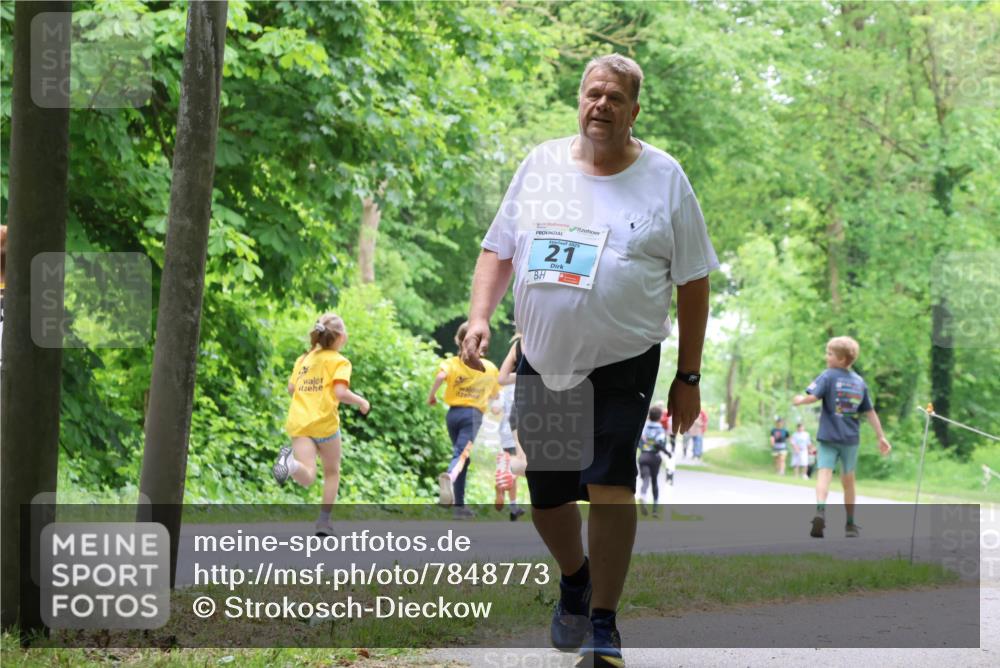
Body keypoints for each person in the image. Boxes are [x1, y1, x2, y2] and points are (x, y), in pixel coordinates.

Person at [459, 54, 718, 667]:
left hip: (625, 357)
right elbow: (499, 248)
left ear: (634, 110)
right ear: (580, 100)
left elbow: (694, 279)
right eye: (592, 93)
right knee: (547, 496)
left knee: (609, 482)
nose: (600, 104)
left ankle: (604, 623)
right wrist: (479, 316)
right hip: (547, 358)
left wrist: (688, 375)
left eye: (615, 97)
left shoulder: (664, 178)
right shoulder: (541, 165)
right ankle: (574, 577)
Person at [272, 313, 370, 537]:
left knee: (306, 475)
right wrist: (362, 402)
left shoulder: (304, 359)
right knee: (332, 472)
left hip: (300, 424)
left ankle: (290, 465)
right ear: (342, 337)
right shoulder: (339, 361)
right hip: (324, 426)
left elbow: (291, 389)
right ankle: (324, 522)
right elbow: (340, 392)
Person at [793, 336, 892, 538]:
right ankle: (850, 524)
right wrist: (881, 436)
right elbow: (870, 412)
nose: (826, 357)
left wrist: (800, 401)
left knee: (824, 474)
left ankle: (820, 513)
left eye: (830, 354)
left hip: (828, 436)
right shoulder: (859, 382)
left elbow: (813, 396)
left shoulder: (828, 376)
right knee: (849, 481)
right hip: (850, 439)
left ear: (841, 360)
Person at [428, 322, 501, 519]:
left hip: (453, 415)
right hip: (472, 417)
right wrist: (494, 405)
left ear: (458, 341)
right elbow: (496, 397)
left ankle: (459, 507)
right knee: (461, 454)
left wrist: (432, 396)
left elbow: (441, 376)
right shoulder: (490, 368)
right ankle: (449, 479)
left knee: (463, 458)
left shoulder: (452, 363)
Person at [496, 334, 527, 521]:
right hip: (546, 409)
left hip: (520, 407)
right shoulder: (551, 338)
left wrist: (524, 375)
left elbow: (502, 378)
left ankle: (507, 468)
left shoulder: (517, 346)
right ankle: (510, 469)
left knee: (523, 458)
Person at [636, 405, 669, 517]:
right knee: (654, 481)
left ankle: (643, 496)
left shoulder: (643, 428)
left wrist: (643, 448)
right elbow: (659, 444)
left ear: (649, 416)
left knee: (645, 479)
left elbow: (639, 442)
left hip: (643, 457)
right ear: (660, 417)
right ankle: (655, 509)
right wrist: (667, 453)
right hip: (654, 458)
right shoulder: (660, 429)